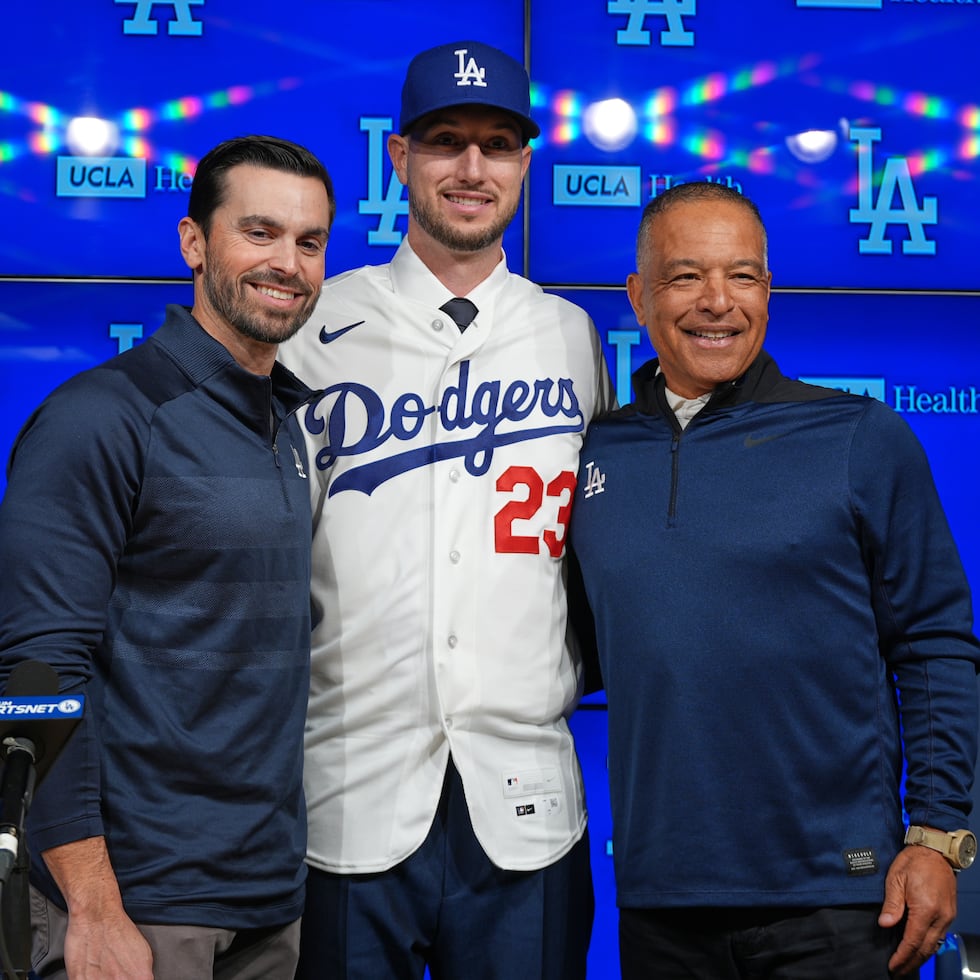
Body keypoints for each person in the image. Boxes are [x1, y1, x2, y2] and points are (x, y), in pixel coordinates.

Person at [569, 179, 980, 978]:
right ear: (638, 295)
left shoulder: (859, 435)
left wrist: (936, 837)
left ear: (768, 288)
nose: (717, 302)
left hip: (843, 898)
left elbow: (935, 645)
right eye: (686, 276)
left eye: (744, 276)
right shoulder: (592, 454)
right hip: (660, 903)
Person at [279, 39, 612, 980]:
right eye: (446, 141)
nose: (472, 168)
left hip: (529, 802)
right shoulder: (311, 328)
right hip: (347, 794)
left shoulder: (569, 335)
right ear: (400, 157)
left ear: (523, 164)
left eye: (498, 144)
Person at [0, 134, 335, 980]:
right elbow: (36, 677)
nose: (287, 263)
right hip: (138, 908)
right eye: (258, 233)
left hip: (267, 895)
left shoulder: (287, 423)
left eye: (308, 241)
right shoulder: (101, 417)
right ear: (194, 243)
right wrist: (93, 905)